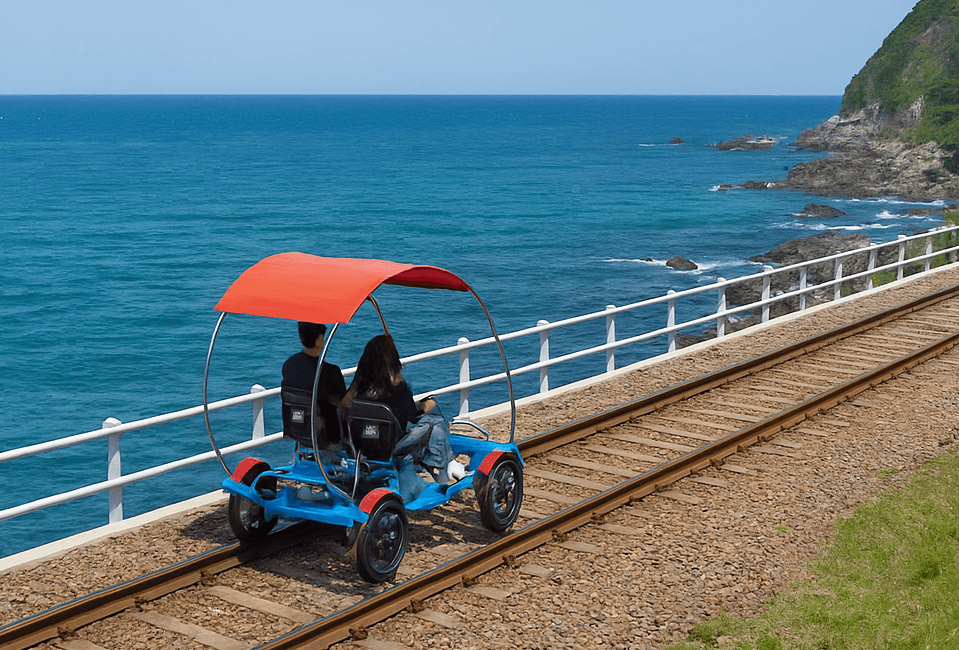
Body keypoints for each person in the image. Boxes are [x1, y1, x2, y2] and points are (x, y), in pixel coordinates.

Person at [342, 334, 466, 484]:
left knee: (430, 421)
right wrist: (425, 406)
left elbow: (343, 408)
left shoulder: (357, 388)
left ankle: (443, 461)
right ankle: (443, 465)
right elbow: (411, 416)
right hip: (393, 447)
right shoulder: (397, 388)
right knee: (435, 420)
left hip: (363, 446)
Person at [281, 321, 347, 442]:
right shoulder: (330, 371)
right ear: (320, 339)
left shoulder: (289, 365)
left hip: (297, 431)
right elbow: (343, 403)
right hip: (326, 436)